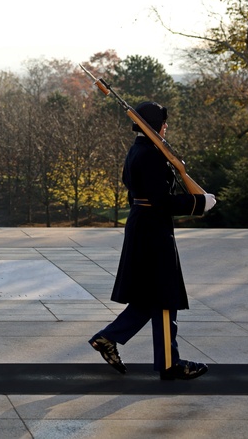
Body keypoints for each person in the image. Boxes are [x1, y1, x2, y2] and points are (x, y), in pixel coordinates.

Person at [88, 101, 216, 381]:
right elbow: (160, 201)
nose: (166, 126)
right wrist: (198, 203)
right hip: (153, 231)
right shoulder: (151, 154)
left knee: (152, 297)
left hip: (143, 226)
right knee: (164, 296)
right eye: (163, 122)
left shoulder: (139, 150)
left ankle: (109, 339)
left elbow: (134, 188)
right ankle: (169, 363)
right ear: (154, 124)